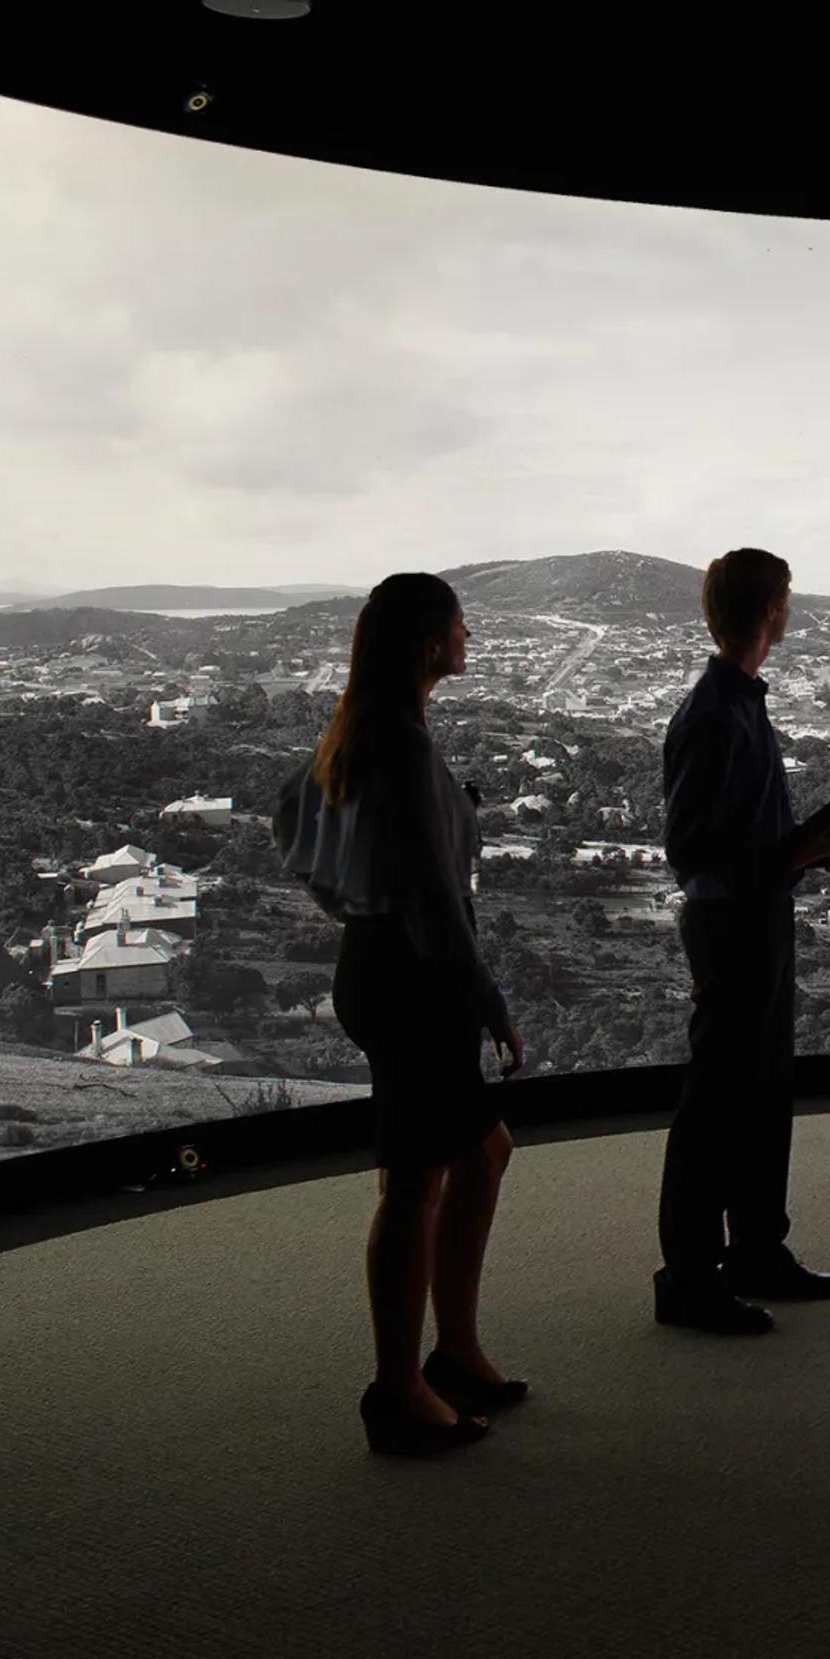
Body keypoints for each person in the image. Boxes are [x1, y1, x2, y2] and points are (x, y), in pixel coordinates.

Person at [290, 572, 524, 1459]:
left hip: (378, 962)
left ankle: (452, 1354)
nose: (472, 636)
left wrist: (357, 911)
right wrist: (490, 1003)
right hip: (417, 976)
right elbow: (435, 902)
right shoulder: (405, 747)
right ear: (432, 643)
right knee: (416, 1178)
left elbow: (300, 840)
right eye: (462, 625)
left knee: (475, 1152)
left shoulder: (359, 732)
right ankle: (399, 1388)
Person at [654, 548, 830, 1335]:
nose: (791, 606)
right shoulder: (712, 712)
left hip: (759, 912)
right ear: (771, 608)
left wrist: (802, 849)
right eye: (787, 596)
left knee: (763, 1087)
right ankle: (686, 1277)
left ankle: (754, 1250)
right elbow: (689, 847)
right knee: (716, 1100)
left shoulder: (740, 700)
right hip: (730, 922)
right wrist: (793, 853)